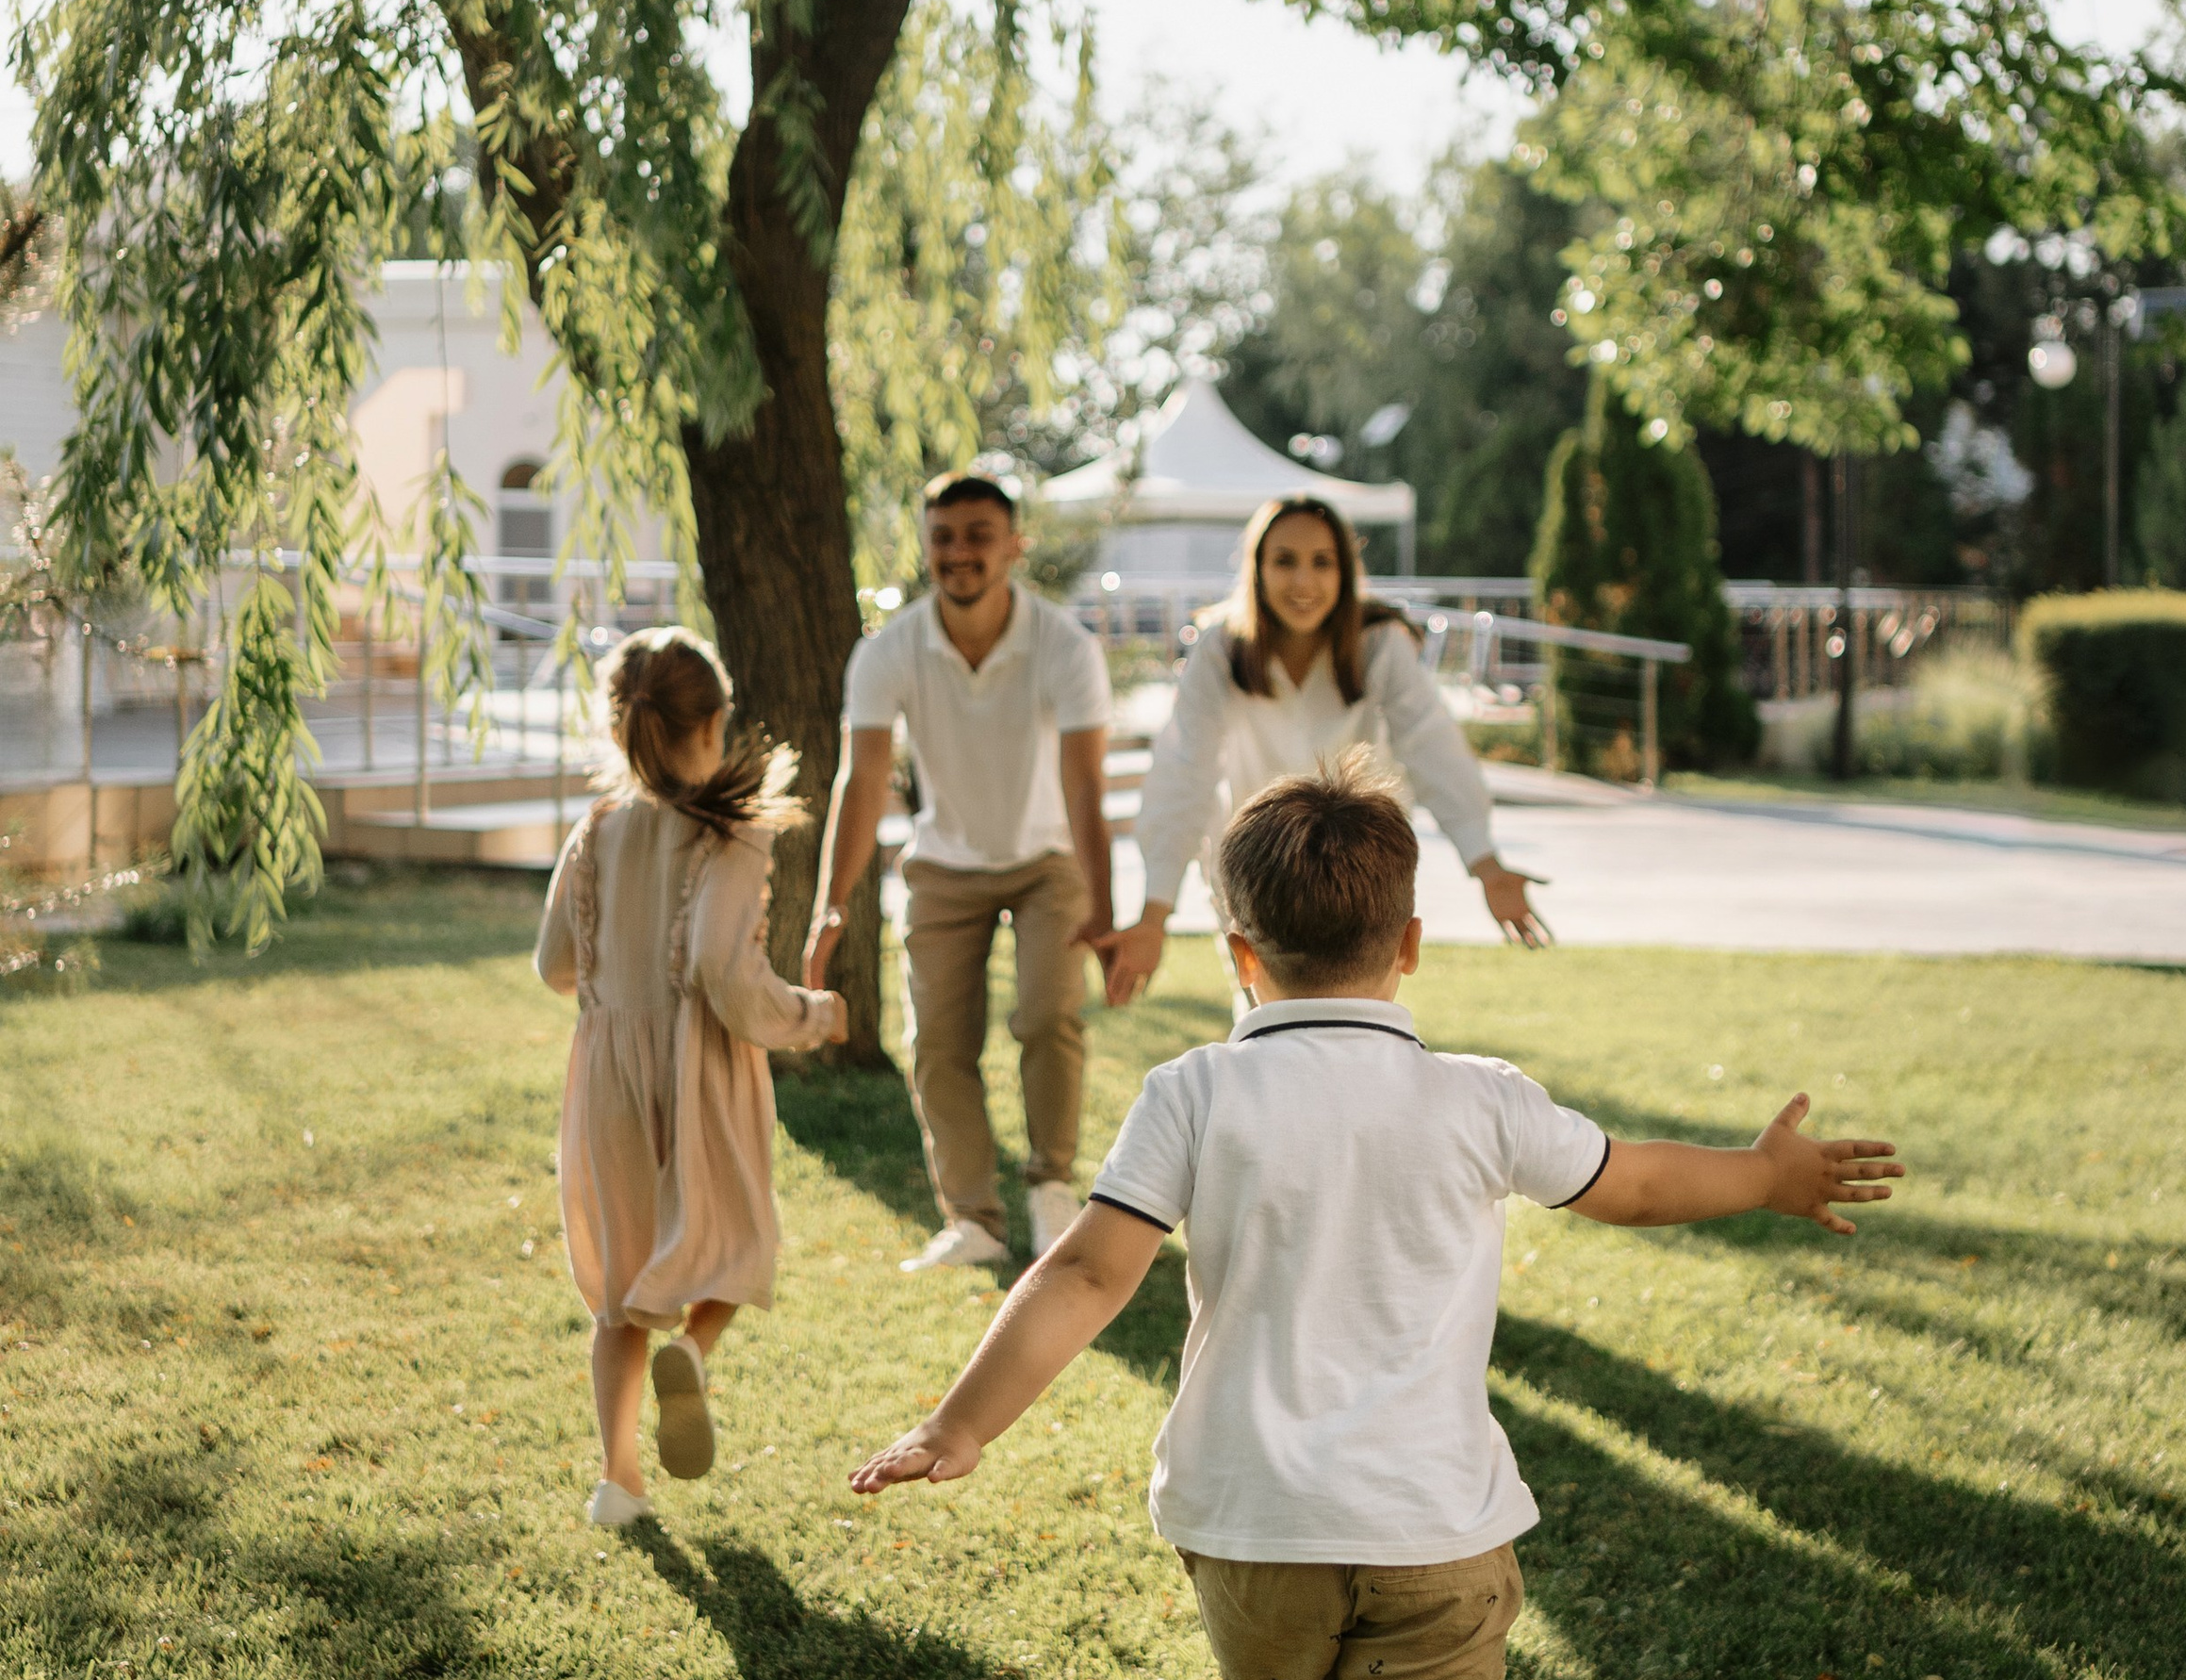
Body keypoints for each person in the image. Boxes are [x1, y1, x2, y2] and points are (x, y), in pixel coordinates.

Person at [847, 754, 1903, 1680]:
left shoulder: (1196, 1090)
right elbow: (1644, 1184)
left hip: (1250, 1525)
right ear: (1409, 944)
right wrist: (1771, 1177)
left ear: (1240, 953)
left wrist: (962, 1425)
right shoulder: (1480, 1098)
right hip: (1429, 1526)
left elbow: (1089, 1268)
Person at [536, 629, 845, 1531]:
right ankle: (699, 1350)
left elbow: (554, 963)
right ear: (711, 725)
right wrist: (814, 1015)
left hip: (607, 1073)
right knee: (736, 1234)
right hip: (700, 1065)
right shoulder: (731, 831)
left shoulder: (594, 830)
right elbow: (721, 970)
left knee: (621, 1281)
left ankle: (617, 1481)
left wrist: (611, 994)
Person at [810, 470, 1117, 1275]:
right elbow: (863, 779)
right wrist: (831, 906)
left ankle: (1053, 1187)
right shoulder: (891, 650)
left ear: (1015, 545)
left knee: (1048, 1017)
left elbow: (1087, 784)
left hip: (1049, 858)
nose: (959, 553)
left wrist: (1107, 911)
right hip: (945, 862)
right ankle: (973, 1220)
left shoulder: (1064, 645)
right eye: (943, 536)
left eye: (980, 535)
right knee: (938, 1044)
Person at [1105, 493, 1547, 1008]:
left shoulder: (1379, 643)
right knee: (1266, 1044)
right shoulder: (1221, 647)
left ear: (1346, 571)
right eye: (1284, 561)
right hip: (1255, 879)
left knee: (1356, 1038)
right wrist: (1154, 914)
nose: (1303, 582)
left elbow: (1431, 745)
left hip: (1354, 878)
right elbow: (1185, 770)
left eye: (1322, 562)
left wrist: (1486, 864)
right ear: (1256, 569)